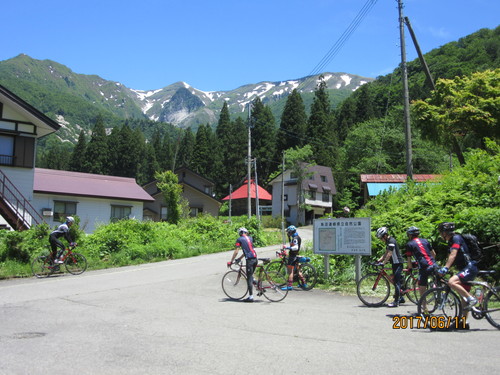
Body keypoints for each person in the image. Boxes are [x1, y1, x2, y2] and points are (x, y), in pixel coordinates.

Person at [437, 222, 479, 325]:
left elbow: (453, 254)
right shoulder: (451, 241)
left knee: (452, 282)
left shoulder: (456, 238)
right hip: (464, 268)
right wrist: (446, 267)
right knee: (463, 298)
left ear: (445, 233)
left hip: (469, 267)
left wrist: (446, 268)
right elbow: (449, 256)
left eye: (441, 233)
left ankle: (472, 299)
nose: (440, 235)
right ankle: (464, 322)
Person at [376, 227, 405, 307]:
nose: (381, 240)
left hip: (398, 263)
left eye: (381, 238)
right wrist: (379, 260)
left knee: (396, 282)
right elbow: (386, 253)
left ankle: (396, 302)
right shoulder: (388, 242)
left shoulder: (391, 241)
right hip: (394, 263)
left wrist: (383, 263)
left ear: (385, 236)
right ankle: (401, 298)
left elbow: (389, 254)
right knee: (396, 280)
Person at [405, 226, 437, 298]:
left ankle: (424, 307)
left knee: (422, 287)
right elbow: (434, 254)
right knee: (438, 279)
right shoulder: (425, 241)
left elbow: (409, 259)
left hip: (423, 266)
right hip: (433, 264)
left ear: (410, 235)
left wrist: (410, 268)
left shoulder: (409, 244)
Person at [228, 227, 258, 302]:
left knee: (249, 278)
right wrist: (239, 259)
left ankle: (250, 297)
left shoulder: (240, 239)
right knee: (250, 275)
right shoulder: (250, 238)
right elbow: (248, 251)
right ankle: (259, 287)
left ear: (241, 233)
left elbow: (236, 251)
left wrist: (231, 261)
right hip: (255, 259)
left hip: (250, 261)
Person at [281, 225, 305, 291]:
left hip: (292, 256)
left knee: (290, 271)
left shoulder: (295, 238)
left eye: (288, 232)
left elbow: (296, 247)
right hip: (295, 255)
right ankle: (304, 283)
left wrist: (288, 248)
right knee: (298, 270)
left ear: (291, 232)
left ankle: (289, 286)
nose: (288, 233)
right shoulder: (296, 237)